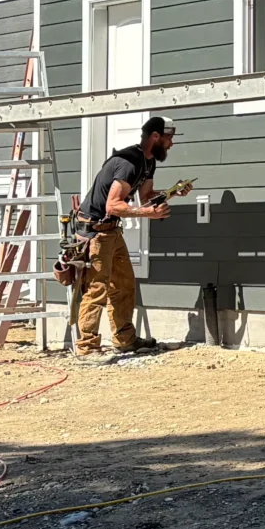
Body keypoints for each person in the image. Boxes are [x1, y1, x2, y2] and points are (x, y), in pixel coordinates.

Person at [75, 116, 176, 360]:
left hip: (111, 231)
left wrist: (173, 192)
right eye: (169, 138)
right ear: (155, 136)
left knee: (123, 284)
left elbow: (146, 195)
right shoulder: (128, 162)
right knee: (97, 288)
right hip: (95, 231)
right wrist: (147, 214)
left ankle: (125, 339)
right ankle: (87, 347)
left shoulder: (149, 162)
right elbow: (113, 205)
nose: (171, 143)